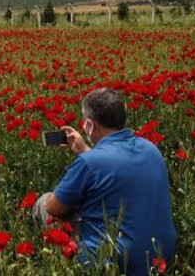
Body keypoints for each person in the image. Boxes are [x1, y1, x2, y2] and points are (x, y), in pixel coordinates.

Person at [33, 88, 177, 275]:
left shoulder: (90, 163)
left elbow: (54, 208)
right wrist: (85, 149)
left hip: (116, 265)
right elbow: (117, 170)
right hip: (161, 259)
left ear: (90, 126)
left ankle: (58, 265)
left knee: (42, 204)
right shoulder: (151, 149)